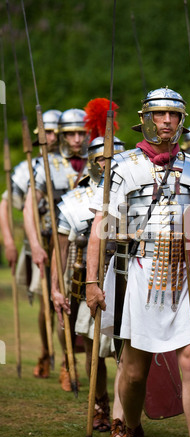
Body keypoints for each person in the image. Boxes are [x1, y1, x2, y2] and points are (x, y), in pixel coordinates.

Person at [85, 87, 190, 437]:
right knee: (134, 371)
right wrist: (92, 282)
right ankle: (129, 426)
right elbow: (101, 225)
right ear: (145, 119)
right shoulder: (124, 167)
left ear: (181, 121)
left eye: (173, 115)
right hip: (139, 272)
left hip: (185, 279)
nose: (166, 121)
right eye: (159, 114)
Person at [51, 135, 125, 437]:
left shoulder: (134, 192)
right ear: (93, 162)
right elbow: (61, 248)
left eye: (114, 158)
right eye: (102, 159)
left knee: (124, 352)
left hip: (124, 280)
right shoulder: (74, 200)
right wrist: (56, 288)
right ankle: (100, 405)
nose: (108, 164)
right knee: (94, 350)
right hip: (87, 283)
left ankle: (124, 415)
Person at [23, 108, 89, 390]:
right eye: (70, 134)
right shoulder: (46, 164)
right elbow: (28, 208)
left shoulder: (98, 159)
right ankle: (65, 360)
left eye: (81, 133)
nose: (76, 140)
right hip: (57, 243)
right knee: (58, 305)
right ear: (61, 136)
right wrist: (36, 245)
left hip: (90, 244)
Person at [0, 109, 62, 379]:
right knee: (46, 301)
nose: (48, 137)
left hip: (70, 243)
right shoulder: (27, 167)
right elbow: (5, 204)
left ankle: (68, 360)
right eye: (44, 132)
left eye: (53, 132)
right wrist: (9, 241)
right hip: (42, 244)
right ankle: (47, 353)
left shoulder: (74, 165)